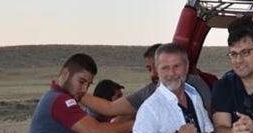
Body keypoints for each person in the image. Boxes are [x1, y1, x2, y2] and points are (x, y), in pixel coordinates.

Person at [128, 44, 216, 133]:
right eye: (165, 68)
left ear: (187, 67)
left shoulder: (194, 94)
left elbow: (209, 131)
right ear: (157, 71)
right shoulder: (151, 108)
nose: (171, 73)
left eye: (176, 66)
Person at [81, 44, 212, 117]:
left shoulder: (193, 84)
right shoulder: (149, 91)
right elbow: (110, 108)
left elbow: (210, 115)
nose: (154, 74)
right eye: (150, 69)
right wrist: (75, 91)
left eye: (175, 66)